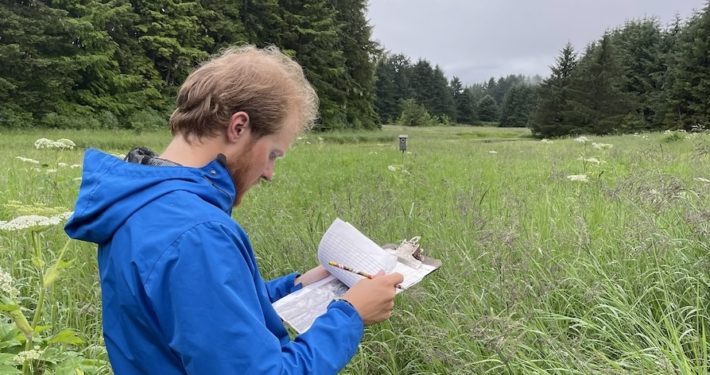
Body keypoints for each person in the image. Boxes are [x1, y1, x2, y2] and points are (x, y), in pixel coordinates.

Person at [64, 45, 404, 374]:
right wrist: (350, 314)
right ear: (238, 127)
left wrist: (300, 285)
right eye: (273, 153)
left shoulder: (144, 204)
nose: (269, 173)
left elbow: (206, 318)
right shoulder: (197, 234)